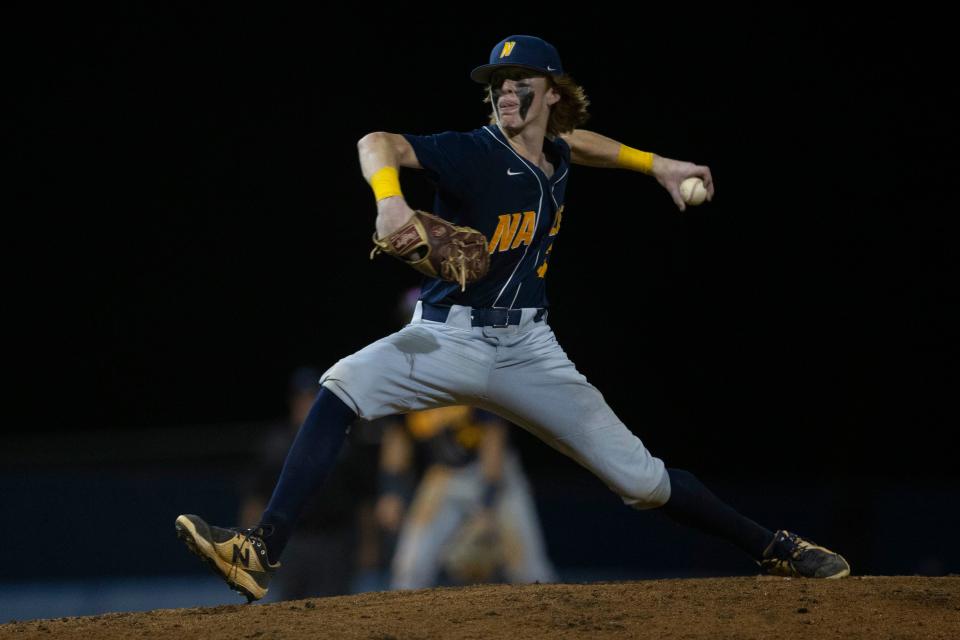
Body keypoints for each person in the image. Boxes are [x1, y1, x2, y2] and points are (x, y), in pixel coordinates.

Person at [175, 34, 850, 602]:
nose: (503, 89)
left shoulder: (554, 154)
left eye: (518, 79)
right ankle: (261, 549)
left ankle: (772, 545)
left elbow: (581, 144)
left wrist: (658, 166)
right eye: (497, 80)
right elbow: (376, 140)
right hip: (447, 336)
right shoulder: (472, 151)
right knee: (340, 386)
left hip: (530, 349)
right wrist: (388, 201)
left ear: (551, 91)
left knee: (641, 479)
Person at [238, 366, 382, 599]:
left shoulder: (344, 444)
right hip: (293, 541)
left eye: (311, 397)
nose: (305, 403)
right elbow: (255, 497)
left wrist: (369, 545)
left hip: (335, 540)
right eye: (301, 398)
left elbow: (364, 499)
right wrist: (249, 546)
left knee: (336, 610)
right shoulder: (275, 444)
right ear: (292, 401)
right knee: (289, 609)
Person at [376, 405, 556, 589]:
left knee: (529, 569)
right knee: (410, 565)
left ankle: (548, 614)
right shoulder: (408, 384)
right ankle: (402, 616)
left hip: (495, 471)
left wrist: (487, 505)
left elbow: (494, 436)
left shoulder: (466, 378)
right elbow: (396, 435)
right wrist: (391, 491)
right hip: (443, 475)